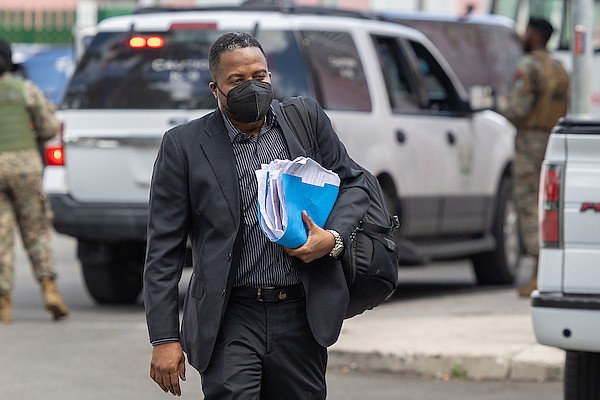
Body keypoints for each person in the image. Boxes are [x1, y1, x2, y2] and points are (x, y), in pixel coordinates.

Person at [144, 32, 369, 399]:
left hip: (300, 312)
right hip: (230, 315)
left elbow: (355, 183)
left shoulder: (304, 122)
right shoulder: (184, 146)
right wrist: (164, 337)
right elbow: (163, 251)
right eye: (238, 81)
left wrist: (333, 239)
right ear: (215, 89)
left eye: (259, 77)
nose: (252, 87)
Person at [499, 17, 569, 297]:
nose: (523, 35)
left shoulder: (529, 66)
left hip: (529, 142)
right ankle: (545, 272)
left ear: (535, 35)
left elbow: (518, 107)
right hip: (552, 140)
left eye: (527, 31)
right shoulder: (559, 67)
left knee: (528, 205)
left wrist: (499, 106)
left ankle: (538, 276)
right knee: (550, 204)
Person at [0, 38, 69, 322]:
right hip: (25, 167)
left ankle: (4, 301)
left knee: (1, 235)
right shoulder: (25, 90)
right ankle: (49, 287)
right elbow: (50, 126)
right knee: (36, 228)